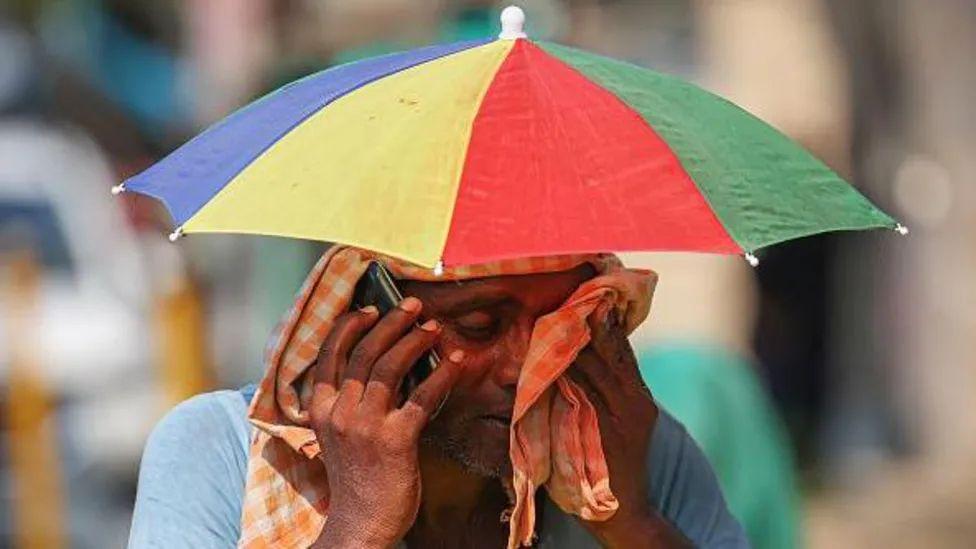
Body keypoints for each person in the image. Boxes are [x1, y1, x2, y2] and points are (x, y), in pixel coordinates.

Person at [129, 248, 748, 548]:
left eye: (558, 328)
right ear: (371, 319)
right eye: (479, 326)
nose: (522, 368)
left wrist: (633, 524)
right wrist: (359, 527)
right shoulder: (221, 453)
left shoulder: (633, 459)